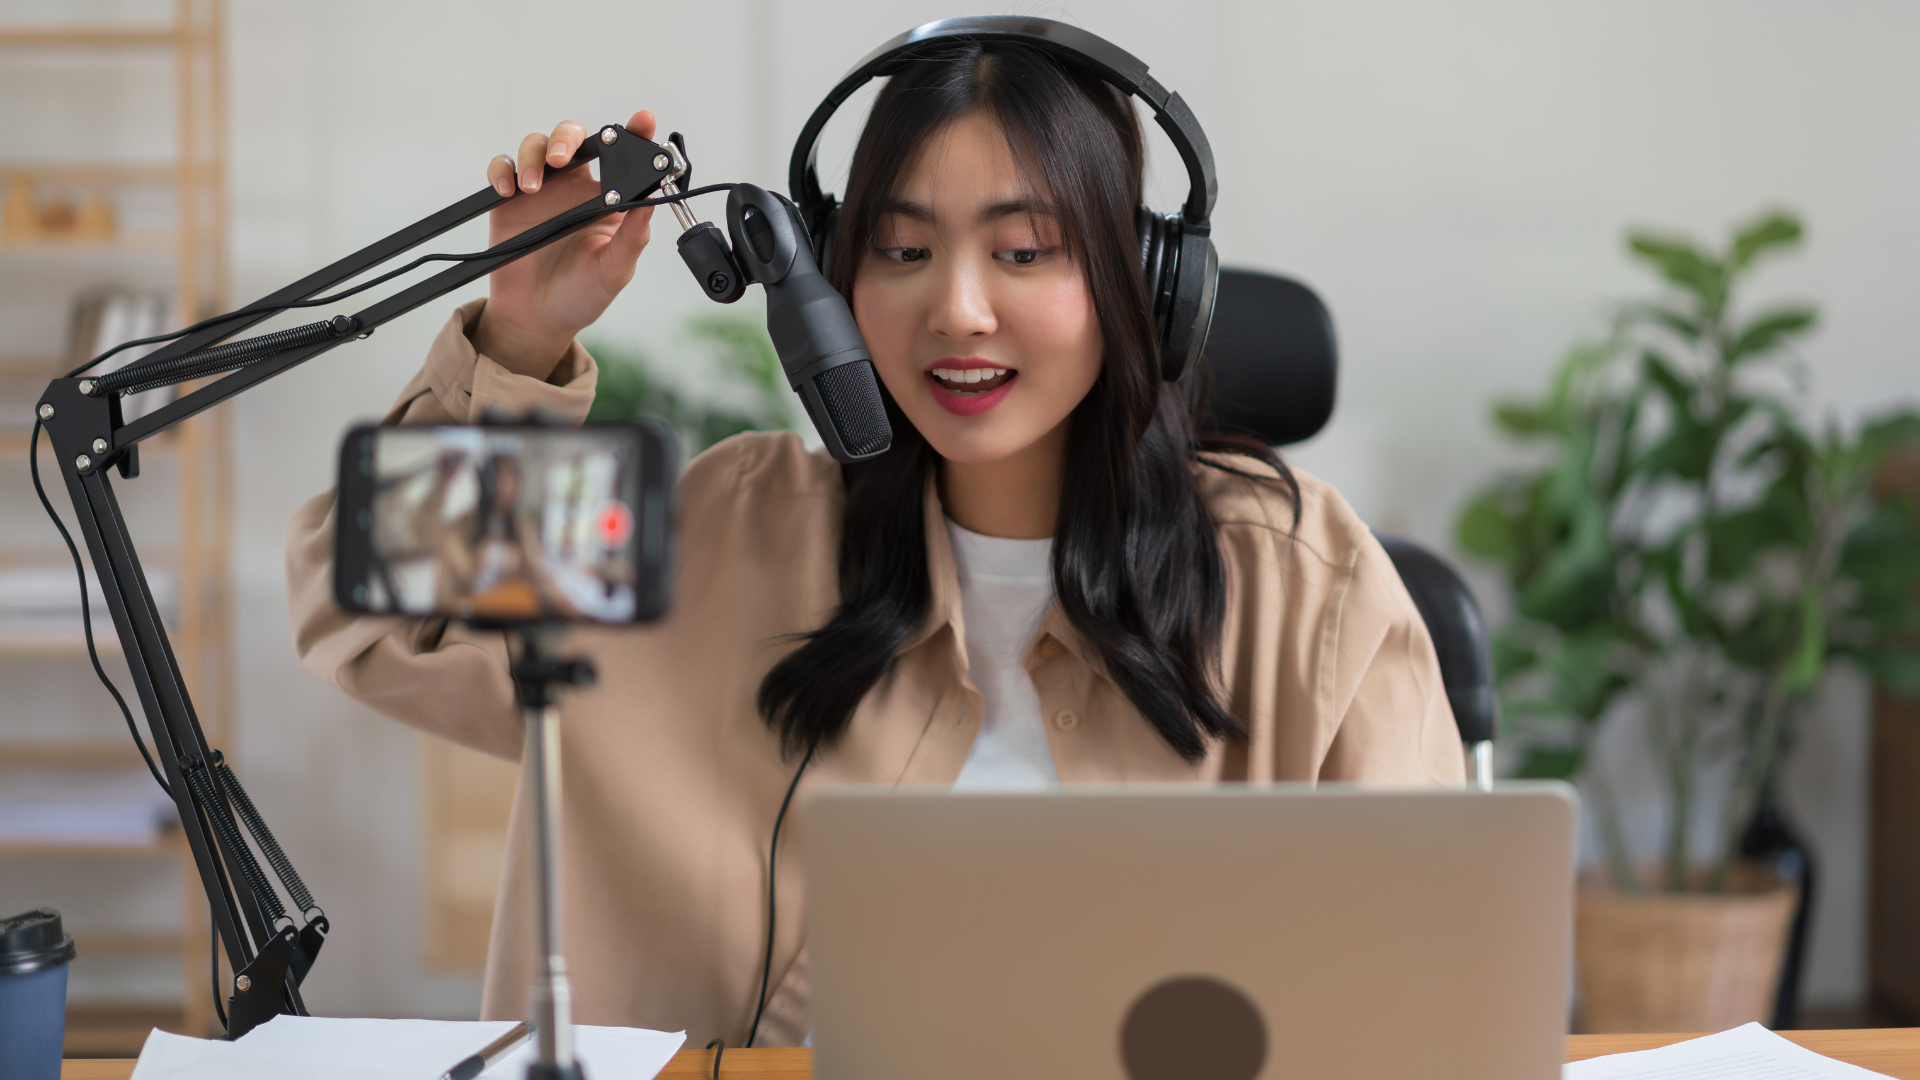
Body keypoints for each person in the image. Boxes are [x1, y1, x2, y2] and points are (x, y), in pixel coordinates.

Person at [285, 34, 1462, 1047]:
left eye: (1024, 249)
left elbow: (1441, 995)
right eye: (902, 251)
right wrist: (520, 333)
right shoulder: (725, 532)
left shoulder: (1298, 580)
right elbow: (383, 622)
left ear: (1138, 283)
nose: (955, 306)